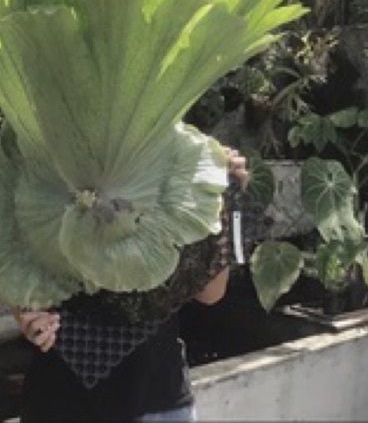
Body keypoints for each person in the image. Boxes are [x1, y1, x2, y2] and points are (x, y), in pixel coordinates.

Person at [13, 149, 249, 422]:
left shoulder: (173, 156)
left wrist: (218, 197)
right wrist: (26, 314)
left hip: (157, 396)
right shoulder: (51, 151)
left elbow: (210, 293)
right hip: (62, 395)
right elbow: (9, 249)